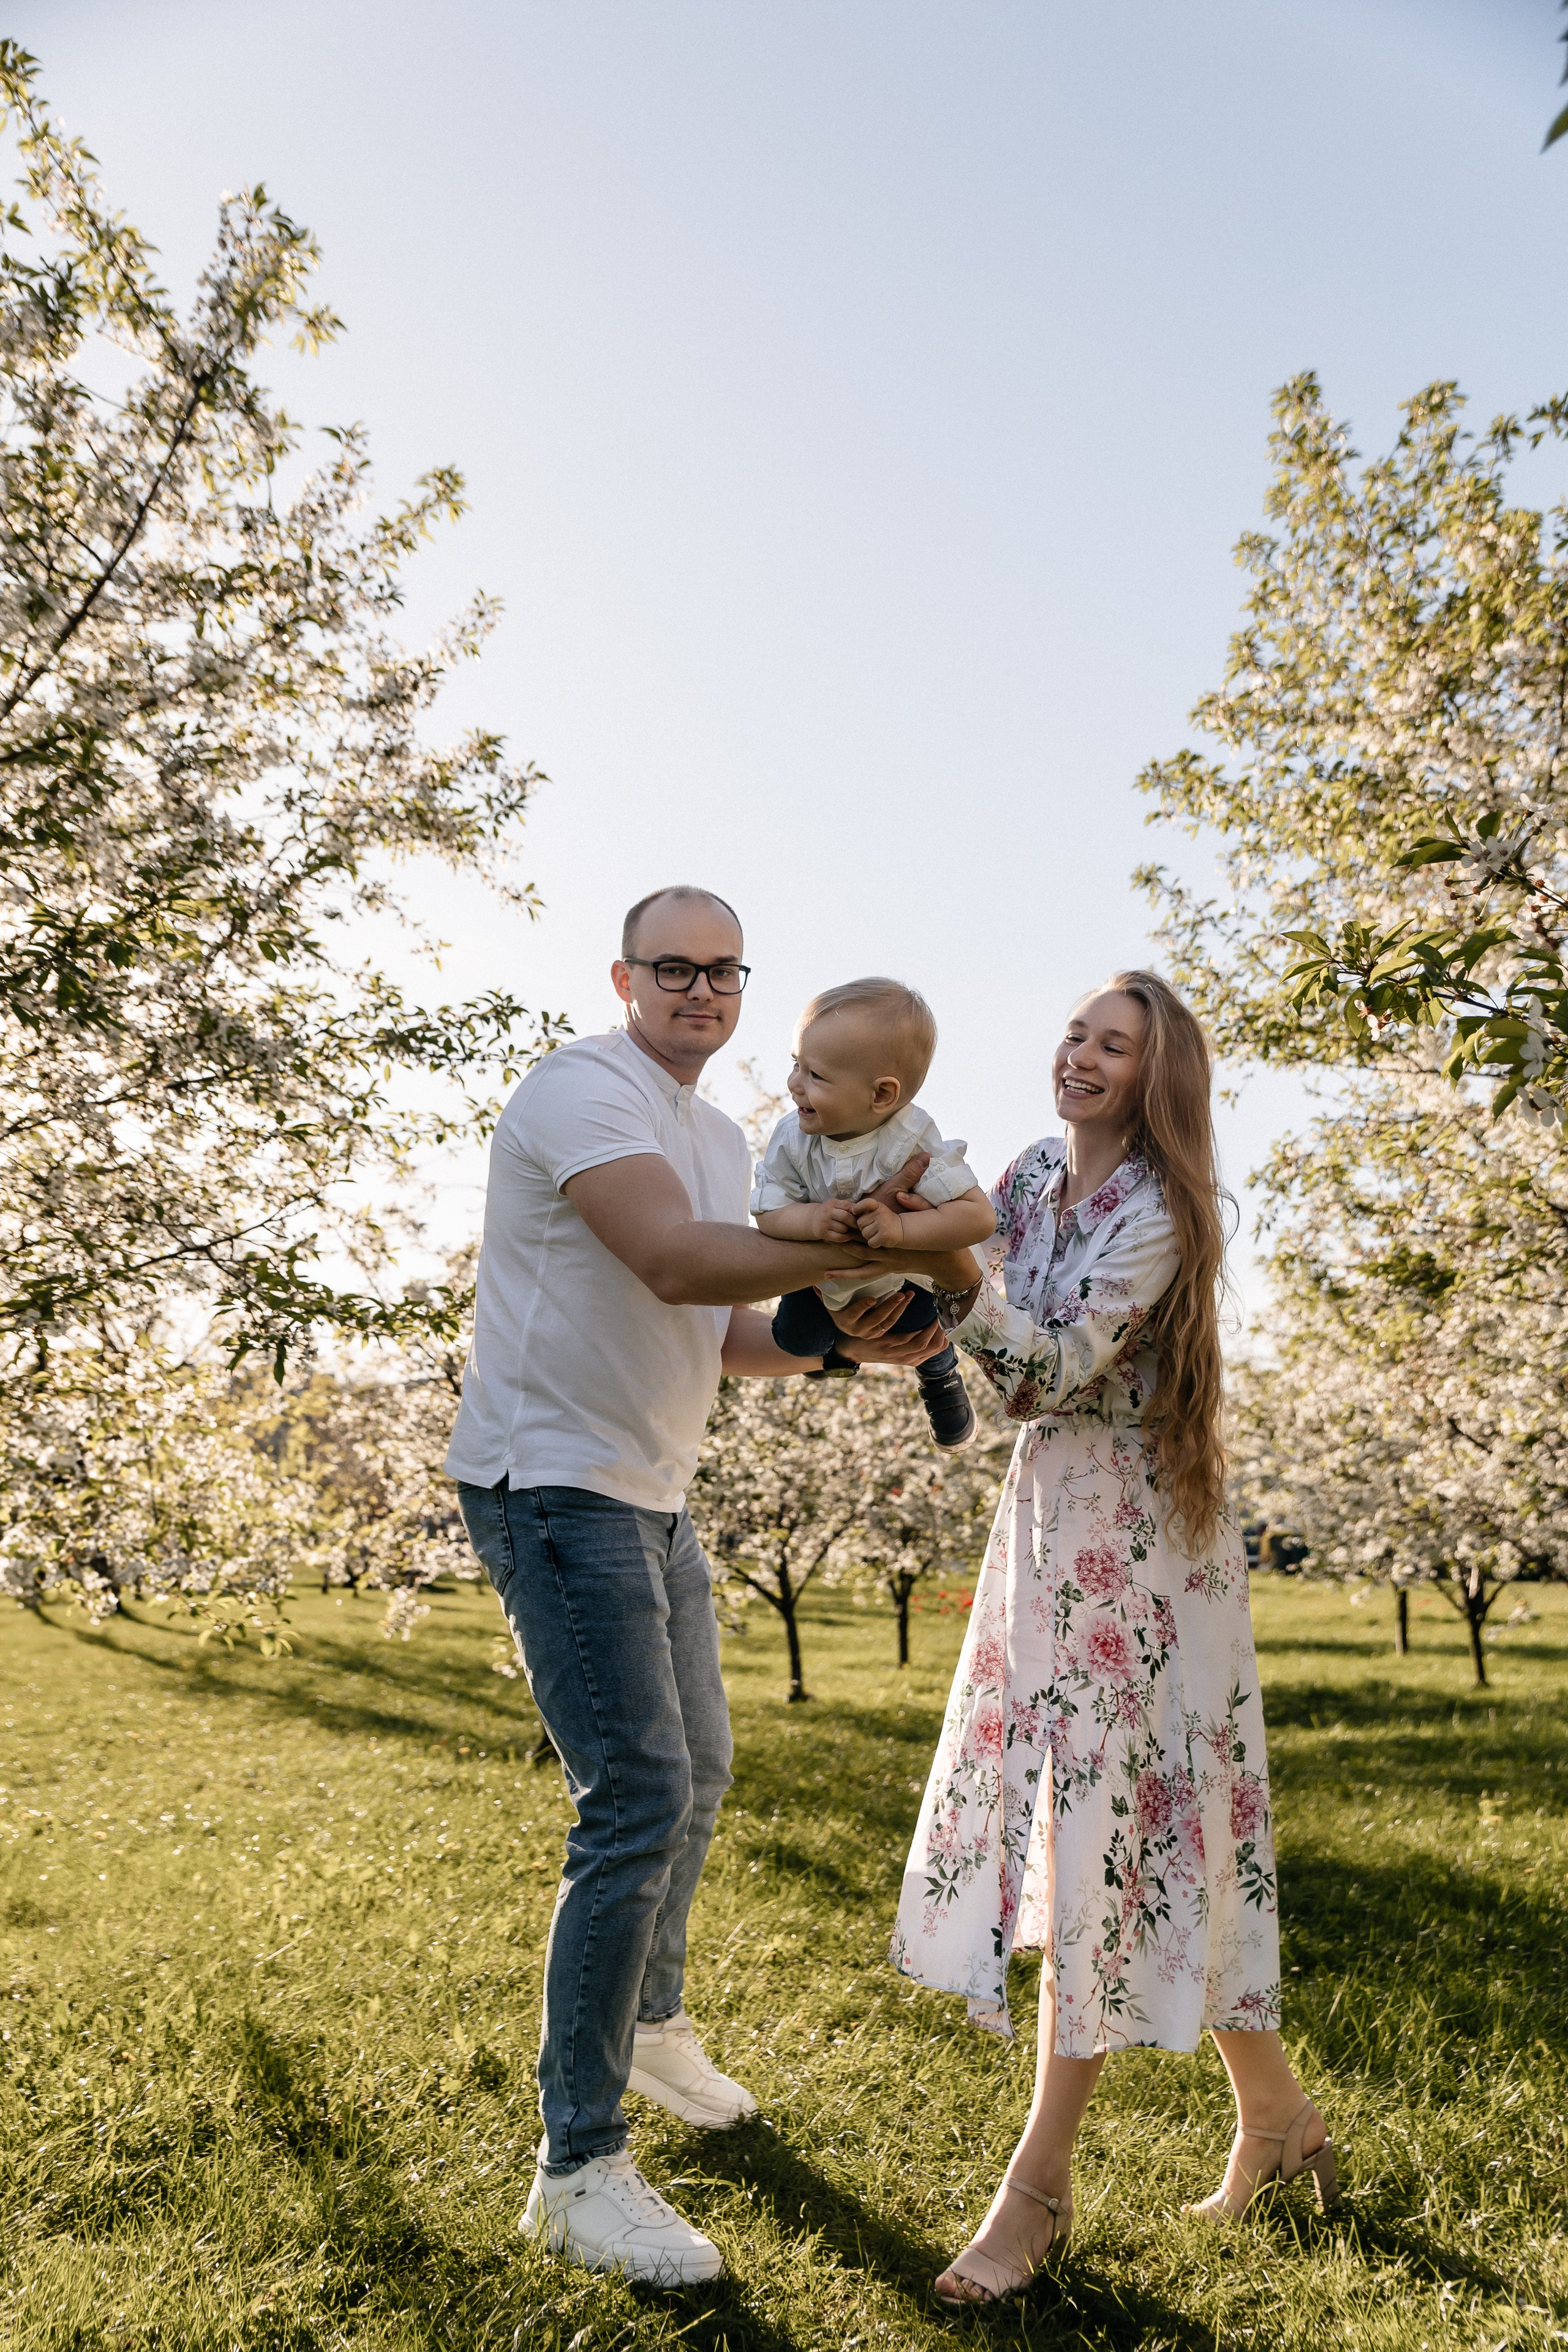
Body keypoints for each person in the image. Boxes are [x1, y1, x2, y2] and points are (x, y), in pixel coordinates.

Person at [445, 884, 942, 2288]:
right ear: (623, 977)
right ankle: (577, 2164)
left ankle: (651, 2028)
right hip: (551, 1480)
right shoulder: (581, 1089)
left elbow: (720, 1323)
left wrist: (850, 1346)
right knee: (637, 1798)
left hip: (647, 1488)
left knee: (700, 1766)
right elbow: (665, 1255)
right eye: (674, 967)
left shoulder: (716, 1133)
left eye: (725, 972)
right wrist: (866, 1237)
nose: (702, 992)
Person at [875, 970, 1336, 2309]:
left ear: (1154, 1077)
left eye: (1113, 1045)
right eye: (1075, 1030)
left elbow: (1032, 1372)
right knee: (1163, 1830)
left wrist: (943, 1273)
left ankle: (1037, 2192)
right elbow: (961, 1343)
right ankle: (1276, 2123)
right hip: (1045, 1535)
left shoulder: (1159, 1215)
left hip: (1138, 1556)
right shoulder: (1023, 1178)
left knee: (1101, 1842)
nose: (1079, 1054)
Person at [752, 976, 995, 1449]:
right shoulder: (792, 1136)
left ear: (881, 1095)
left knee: (923, 1331)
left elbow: (978, 1218)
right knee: (795, 1340)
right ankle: (845, 1351)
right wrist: (813, 1220)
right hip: (822, 1278)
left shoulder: (911, 1139)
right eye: (795, 1065)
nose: (793, 1084)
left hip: (904, 1282)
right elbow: (769, 1210)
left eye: (815, 1075)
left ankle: (939, 1371)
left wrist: (901, 1227)